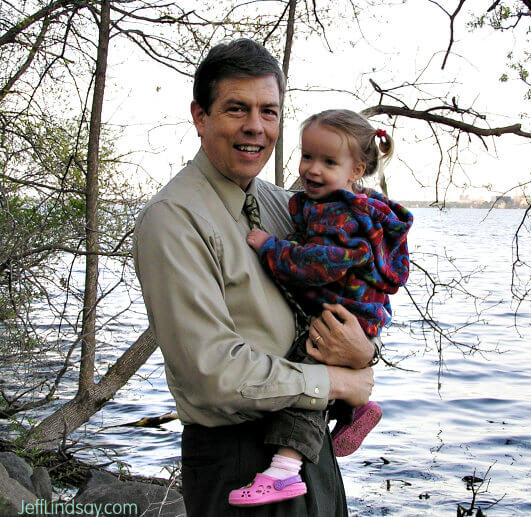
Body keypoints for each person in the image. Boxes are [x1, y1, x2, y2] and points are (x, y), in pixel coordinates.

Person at [133, 39, 377, 517]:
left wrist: (363, 353)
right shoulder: (173, 219)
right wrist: (334, 382)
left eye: (269, 111)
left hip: (309, 454)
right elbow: (212, 373)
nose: (255, 127)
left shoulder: (284, 204)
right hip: (237, 461)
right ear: (200, 117)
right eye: (236, 109)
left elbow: (342, 293)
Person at [229, 109, 412, 507]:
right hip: (359, 315)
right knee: (324, 380)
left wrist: (271, 247)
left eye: (328, 162)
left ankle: (284, 469)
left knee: (308, 377)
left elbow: (318, 264)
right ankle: (355, 409)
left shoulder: (342, 214)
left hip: (342, 314)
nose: (312, 169)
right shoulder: (353, 208)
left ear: (356, 170)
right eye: (307, 156)